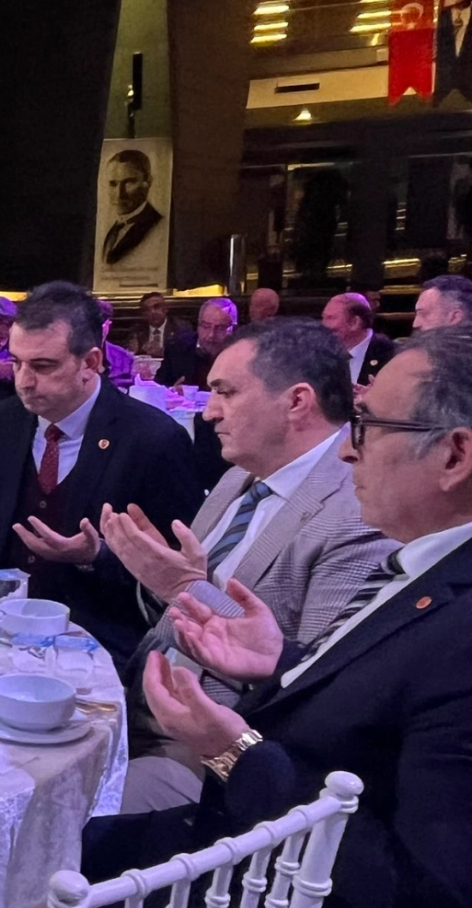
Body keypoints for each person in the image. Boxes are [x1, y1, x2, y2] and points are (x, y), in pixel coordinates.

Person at [84, 328, 472, 908]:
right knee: (52, 846)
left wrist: (230, 750)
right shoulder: (426, 565)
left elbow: (430, 907)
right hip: (263, 857)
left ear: (454, 456)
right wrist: (276, 666)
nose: (347, 450)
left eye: (368, 426)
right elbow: (372, 715)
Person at [100, 319, 396, 811]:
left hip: (214, 753)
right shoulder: (241, 474)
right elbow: (176, 606)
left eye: (226, 392)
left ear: (297, 401)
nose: (208, 411)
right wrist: (158, 576)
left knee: (49, 822)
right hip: (138, 701)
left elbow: (317, 678)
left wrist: (184, 586)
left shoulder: (356, 514)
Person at [0, 281, 203, 664]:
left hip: (100, 643)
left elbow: (183, 577)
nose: (23, 381)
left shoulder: (153, 440)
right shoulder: (3, 423)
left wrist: (96, 555)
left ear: (90, 363)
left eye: (43, 366)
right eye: (17, 362)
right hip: (0, 632)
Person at [101, 149, 165, 267]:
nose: (119, 194)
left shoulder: (158, 226)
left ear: (148, 182)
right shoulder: (113, 230)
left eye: (129, 182)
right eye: (113, 184)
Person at [156, 297, 236, 389]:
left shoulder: (242, 354)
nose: (211, 335)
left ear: (233, 329)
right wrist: (172, 391)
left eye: (220, 328)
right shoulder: (177, 348)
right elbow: (158, 388)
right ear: (198, 325)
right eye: (206, 326)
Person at [321, 292, 395, 389]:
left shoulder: (391, 355)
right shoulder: (320, 353)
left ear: (354, 322)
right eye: (323, 318)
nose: (323, 324)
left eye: (331, 318)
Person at [127, 291, 192, 359]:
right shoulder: (137, 331)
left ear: (166, 308)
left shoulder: (181, 328)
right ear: (143, 314)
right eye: (147, 309)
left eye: (156, 307)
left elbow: (187, 355)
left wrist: (162, 352)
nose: (152, 312)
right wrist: (132, 352)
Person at [98, 298, 136, 389]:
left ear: (108, 324)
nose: (97, 330)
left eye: (101, 324)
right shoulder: (72, 355)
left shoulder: (124, 357)